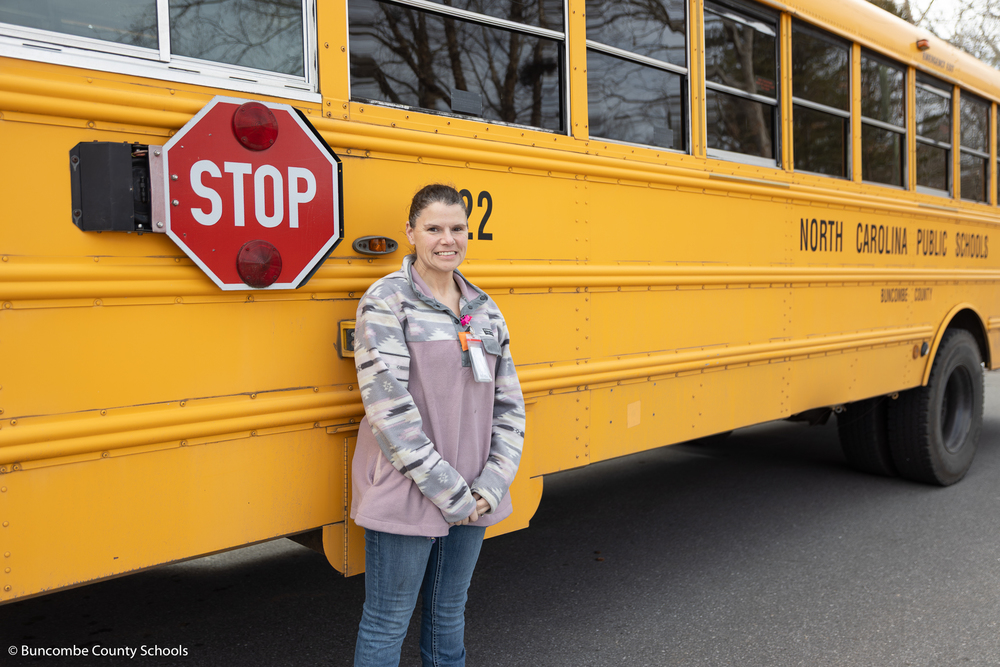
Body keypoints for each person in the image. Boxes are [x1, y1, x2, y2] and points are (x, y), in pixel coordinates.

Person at [351, 183, 526, 667]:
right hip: (410, 488)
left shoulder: (484, 310)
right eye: (433, 229)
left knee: (449, 614)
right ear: (410, 233)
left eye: (457, 228)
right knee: (388, 620)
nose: (447, 239)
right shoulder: (387, 301)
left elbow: (509, 404)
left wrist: (491, 484)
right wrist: (453, 493)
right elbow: (389, 410)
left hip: (474, 492)